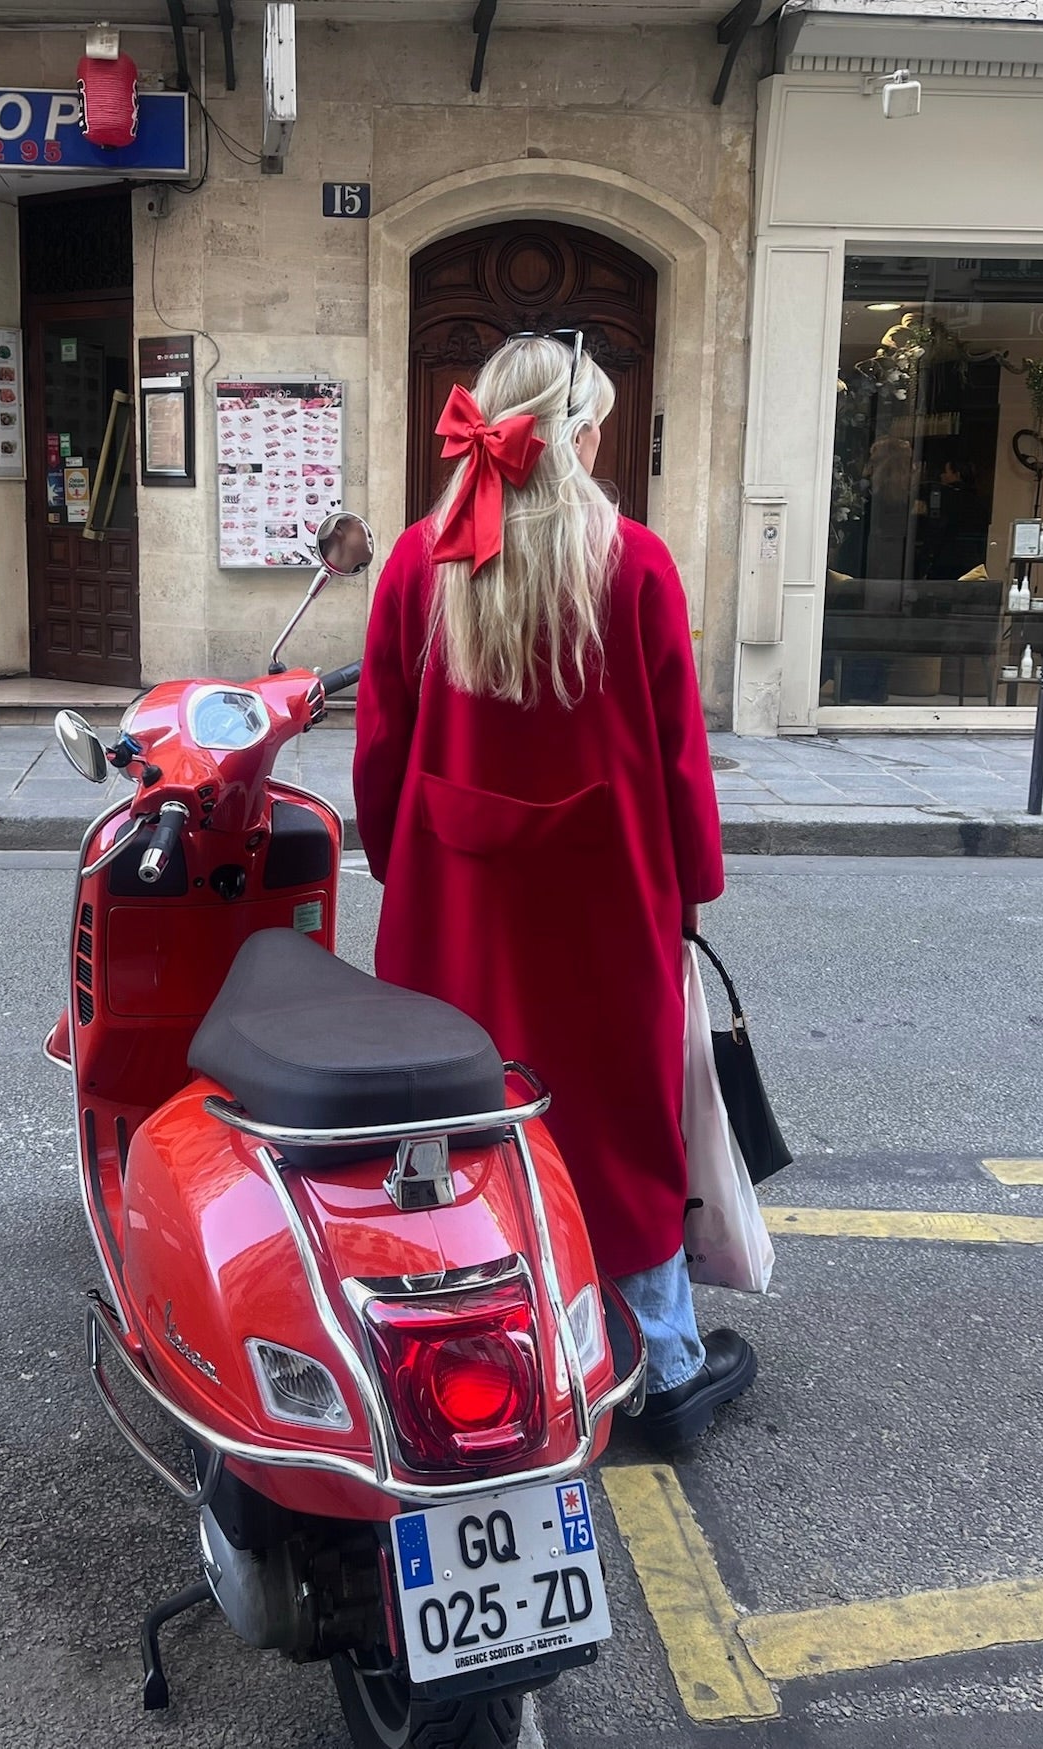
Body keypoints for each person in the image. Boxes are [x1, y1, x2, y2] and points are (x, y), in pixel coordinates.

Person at [353, 336, 758, 1449]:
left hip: (454, 901)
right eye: (595, 425)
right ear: (571, 433)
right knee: (618, 1120)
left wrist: (397, 861)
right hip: (607, 898)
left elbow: (381, 748)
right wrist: (694, 890)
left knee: (463, 1118)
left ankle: (469, 1351)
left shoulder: (417, 563)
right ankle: (660, 1363)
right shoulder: (633, 563)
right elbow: (679, 756)